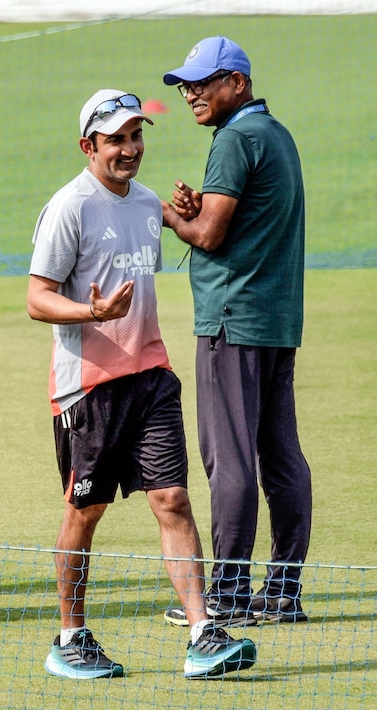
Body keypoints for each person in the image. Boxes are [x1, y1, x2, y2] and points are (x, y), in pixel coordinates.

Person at [28, 89, 256, 679]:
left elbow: (201, 230)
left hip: (151, 376)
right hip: (90, 388)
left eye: (136, 136)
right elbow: (36, 298)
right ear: (89, 146)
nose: (130, 149)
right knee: (87, 511)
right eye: (116, 140)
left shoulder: (147, 202)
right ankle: (70, 637)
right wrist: (91, 314)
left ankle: (203, 633)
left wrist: (192, 203)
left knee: (173, 500)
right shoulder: (69, 208)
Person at [159, 36, 312, 627]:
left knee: (229, 458)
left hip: (232, 320)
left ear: (237, 83)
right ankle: (283, 591)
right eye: (185, 85)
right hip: (275, 320)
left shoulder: (235, 139)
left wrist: (168, 213)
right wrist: (201, 208)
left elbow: (209, 236)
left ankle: (225, 596)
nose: (191, 92)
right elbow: (235, 219)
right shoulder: (276, 135)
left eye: (203, 82)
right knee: (281, 454)